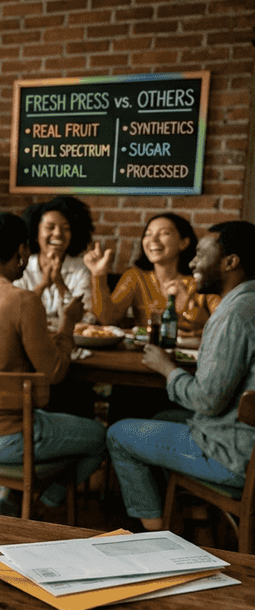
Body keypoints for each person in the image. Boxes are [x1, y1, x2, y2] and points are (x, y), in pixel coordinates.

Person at [0, 212, 106, 516]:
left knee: (28, 413)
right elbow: (55, 372)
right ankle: (44, 503)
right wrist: (68, 324)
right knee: (100, 437)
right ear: (21, 251)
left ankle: (10, 496)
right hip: (5, 441)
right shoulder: (22, 300)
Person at [107, 221, 255, 532]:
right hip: (242, 439)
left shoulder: (233, 314)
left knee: (118, 434)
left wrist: (166, 368)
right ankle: (189, 516)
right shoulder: (247, 302)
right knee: (164, 415)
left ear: (231, 262)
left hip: (234, 456)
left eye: (201, 254)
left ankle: (158, 536)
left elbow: (208, 401)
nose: (192, 263)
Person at [85, 212, 219, 335]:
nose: (153, 240)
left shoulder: (202, 280)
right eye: (148, 234)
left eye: (164, 233)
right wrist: (98, 275)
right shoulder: (136, 277)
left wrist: (188, 307)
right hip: (145, 353)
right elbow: (107, 320)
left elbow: (221, 327)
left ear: (183, 243)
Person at [13, 196, 95, 322]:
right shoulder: (22, 267)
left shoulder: (81, 269)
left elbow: (87, 318)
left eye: (66, 228)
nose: (57, 233)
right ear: (35, 234)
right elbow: (14, 314)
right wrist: (43, 285)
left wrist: (60, 283)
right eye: (50, 227)